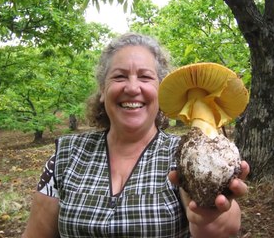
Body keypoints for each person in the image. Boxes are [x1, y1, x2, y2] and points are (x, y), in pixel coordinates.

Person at [21, 32, 250, 238]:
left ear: (160, 90)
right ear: (102, 90)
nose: (132, 88)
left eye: (145, 77)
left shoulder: (181, 157)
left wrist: (210, 214)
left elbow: (220, 227)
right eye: (119, 77)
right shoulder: (66, 157)